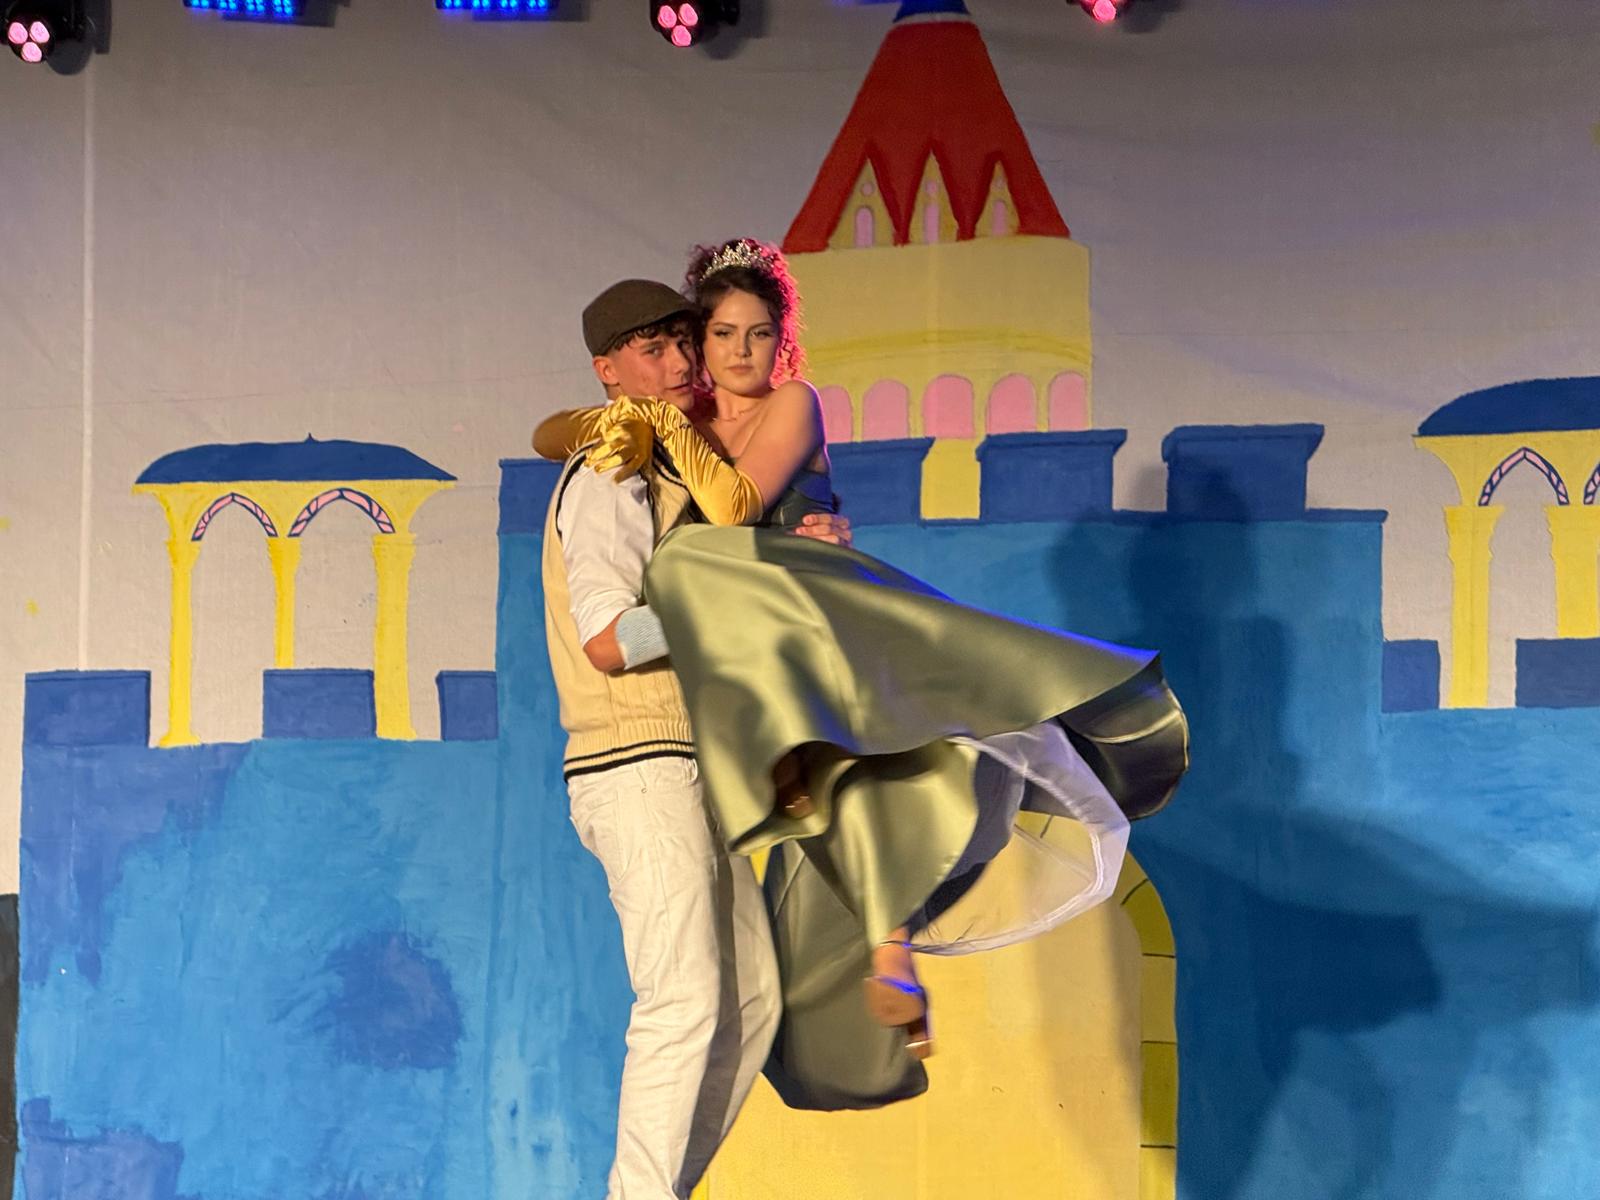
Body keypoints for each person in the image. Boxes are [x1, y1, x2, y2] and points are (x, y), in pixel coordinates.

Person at [536, 240, 1189, 1111]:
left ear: (782, 341)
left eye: (756, 335)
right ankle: (884, 951)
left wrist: (668, 434)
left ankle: (892, 944)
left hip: (807, 605)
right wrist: (622, 420)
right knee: (828, 788)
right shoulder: (675, 421)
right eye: (717, 335)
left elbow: (733, 508)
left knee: (888, 754)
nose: (731, 353)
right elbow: (556, 434)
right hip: (756, 640)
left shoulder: (785, 404)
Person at [539, 278, 851, 1200]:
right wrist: (746, 588)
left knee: (751, 1000)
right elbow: (609, 640)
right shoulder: (611, 470)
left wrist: (803, 553)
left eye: (685, 341)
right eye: (653, 349)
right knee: (681, 1000)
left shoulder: (676, 469)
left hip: (693, 764)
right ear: (608, 370)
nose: (680, 363)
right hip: (635, 761)